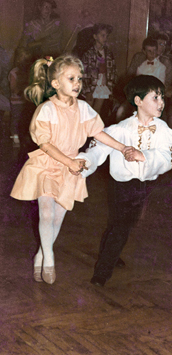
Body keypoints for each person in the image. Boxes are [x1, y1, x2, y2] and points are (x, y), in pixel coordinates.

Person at [10, 54, 132, 285]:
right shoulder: (46, 110)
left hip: (72, 168)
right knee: (46, 213)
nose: (77, 83)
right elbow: (44, 143)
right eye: (71, 78)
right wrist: (68, 162)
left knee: (57, 218)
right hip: (47, 164)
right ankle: (49, 259)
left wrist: (123, 147)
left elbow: (98, 133)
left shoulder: (84, 108)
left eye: (80, 78)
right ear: (56, 83)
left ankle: (41, 253)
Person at [77, 75, 172, 287]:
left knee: (121, 223)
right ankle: (102, 272)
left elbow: (168, 158)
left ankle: (112, 254)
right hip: (120, 184)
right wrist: (84, 162)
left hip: (144, 185)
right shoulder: (120, 130)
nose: (161, 102)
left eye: (162, 97)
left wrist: (144, 156)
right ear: (138, 101)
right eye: (155, 98)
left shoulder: (164, 131)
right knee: (121, 224)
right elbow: (98, 149)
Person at [81, 23, 117, 118]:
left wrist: (111, 87)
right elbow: (84, 73)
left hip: (103, 84)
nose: (105, 38)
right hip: (91, 84)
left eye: (107, 36)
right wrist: (87, 90)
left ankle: (93, 131)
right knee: (87, 111)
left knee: (96, 113)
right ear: (95, 37)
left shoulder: (108, 53)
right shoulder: (88, 54)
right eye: (103, 35)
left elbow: (113, 71)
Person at [8, 47, 32, 147]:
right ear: (18, 60)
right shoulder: (14, 72)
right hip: (17, 102)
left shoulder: (29, 71)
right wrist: (22, 87)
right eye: (23, 58)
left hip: (26, 101)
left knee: (25, 119)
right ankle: (15, 138)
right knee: (16, 119)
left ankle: (23, 137)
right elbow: (13, 89)